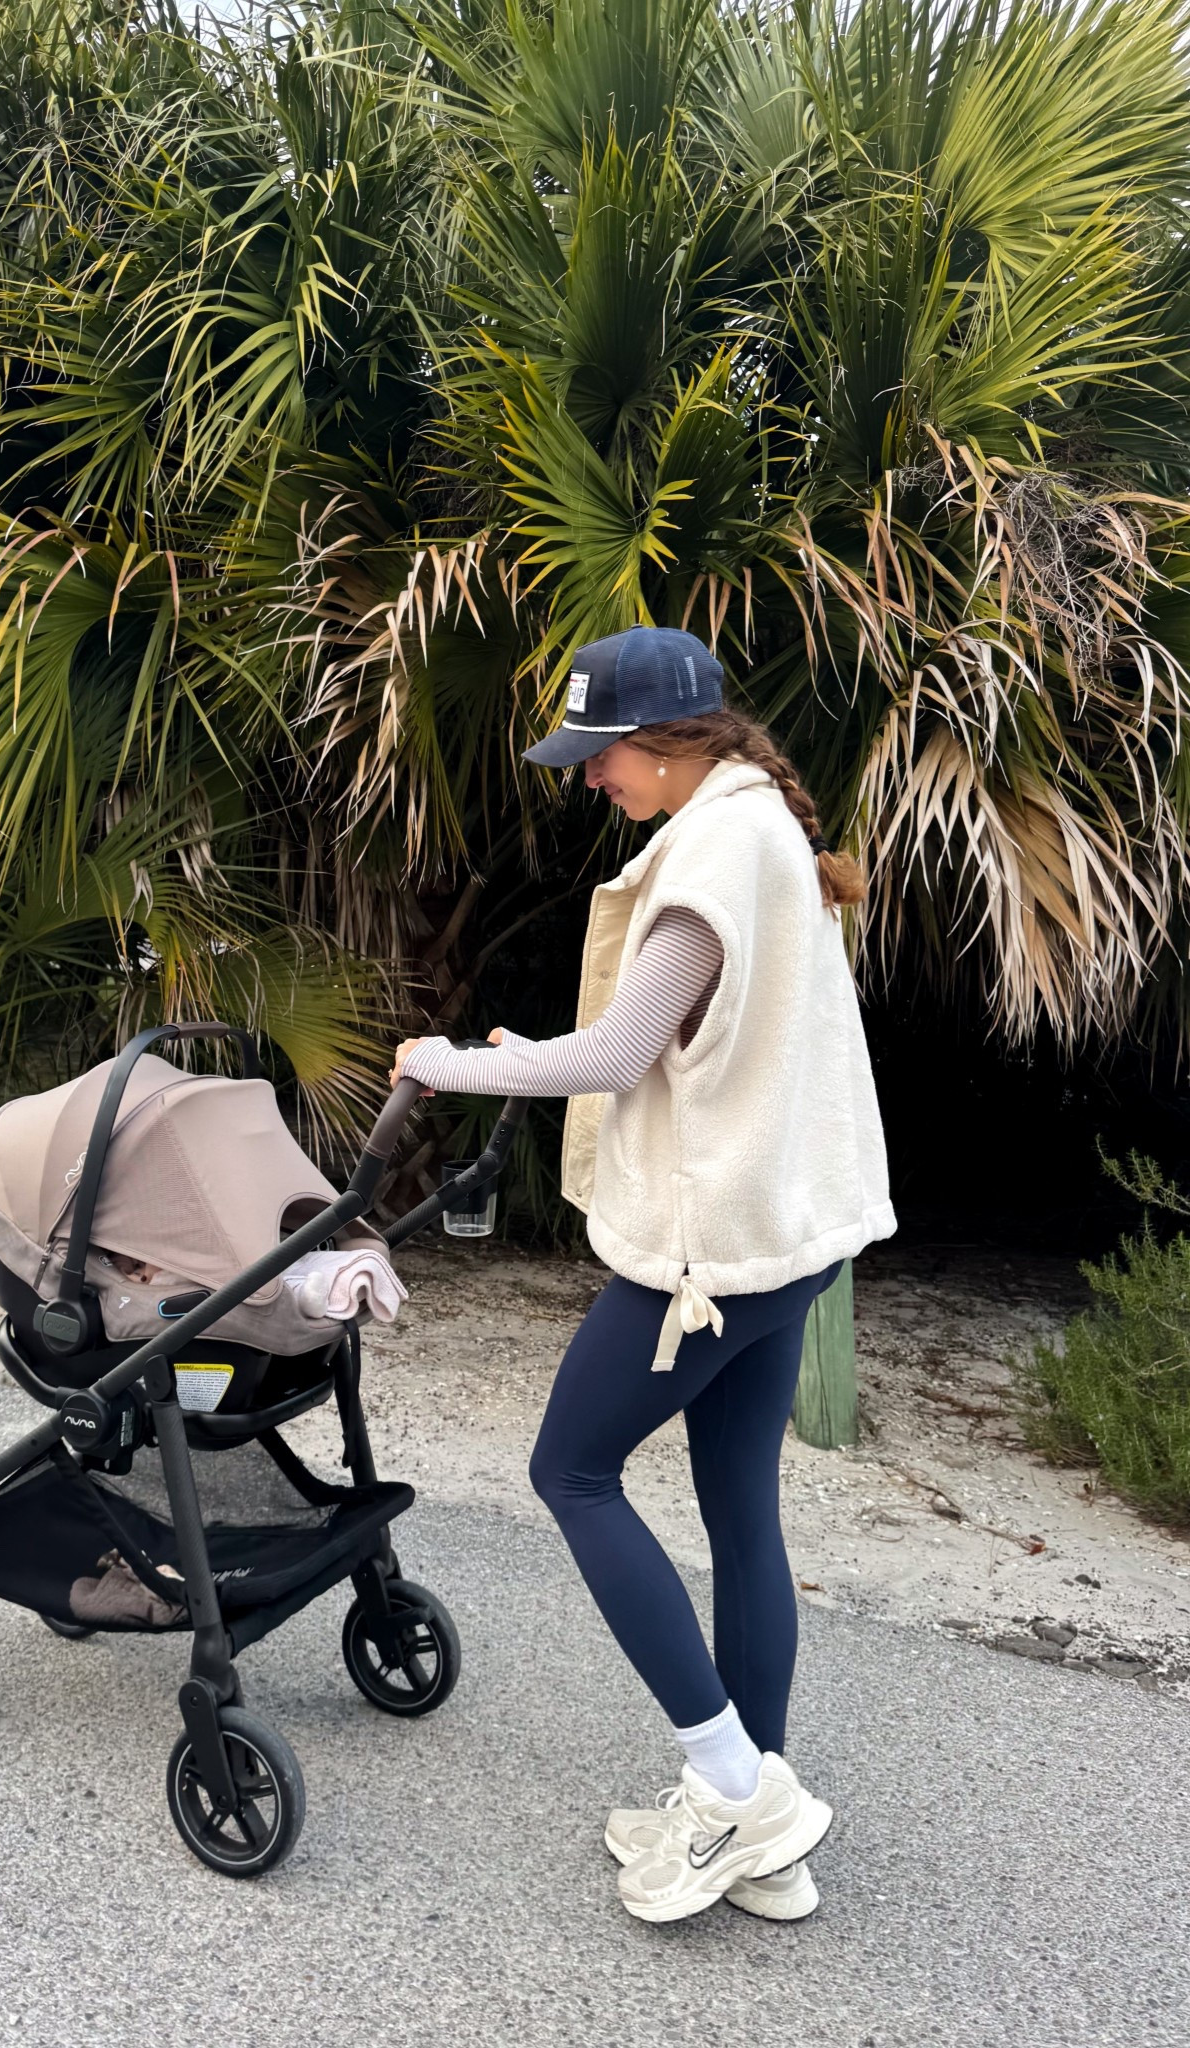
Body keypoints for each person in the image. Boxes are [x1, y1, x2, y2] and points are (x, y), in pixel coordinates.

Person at [392, 625, 895, 1925]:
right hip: (787, 1239)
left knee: (569, 1470)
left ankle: (734, 1784)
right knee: (740, 1515)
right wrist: (532, 1049)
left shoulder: (712, 856)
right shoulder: (764, 828)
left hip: (708, 1253)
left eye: (598, 753)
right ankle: (761, 1831)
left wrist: (454, 1065)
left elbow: (618, 1058)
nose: (586, 776)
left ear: (668, 741)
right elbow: (668, 1038)